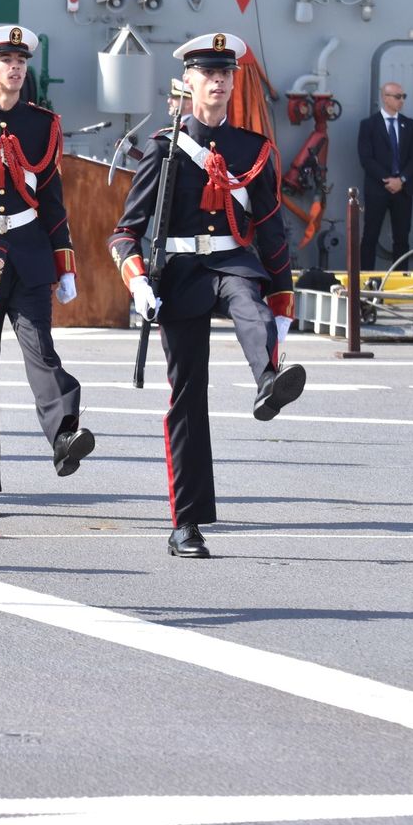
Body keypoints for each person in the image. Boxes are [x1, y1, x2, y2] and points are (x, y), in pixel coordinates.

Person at [107, 32, 305, 559]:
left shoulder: (252, 149)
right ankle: (187, 523)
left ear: (233, 82)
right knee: (187, 397)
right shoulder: (164, 147)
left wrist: (282, 301)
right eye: (207, 73)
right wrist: (138, 281)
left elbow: (270, 228)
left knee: (248, 298)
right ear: (188, 82)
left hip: (231, 260)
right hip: (179, 272)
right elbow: (125, 230)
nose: (217, 81)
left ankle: (269, 377)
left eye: (225, 73)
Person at [0, 25, 91, 517]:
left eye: (21, 61)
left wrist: (65, 259)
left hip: (31, 251)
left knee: (41, 350)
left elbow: (52, 199)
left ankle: (63, 435)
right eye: (5, 60)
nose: (15, 68)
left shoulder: (43, 125)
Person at [356, 81, 413, 270]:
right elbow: (366, 158)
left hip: (403, 189)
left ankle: (400, 278)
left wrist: (401, 180)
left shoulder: (409, 125)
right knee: (370, 236)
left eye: (404, 96)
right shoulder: (368, 125)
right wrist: (388, 179)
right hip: (378, 189)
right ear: (385, 98)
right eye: (398, 96)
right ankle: (365, 279)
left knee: (402, 237)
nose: (402, 100)